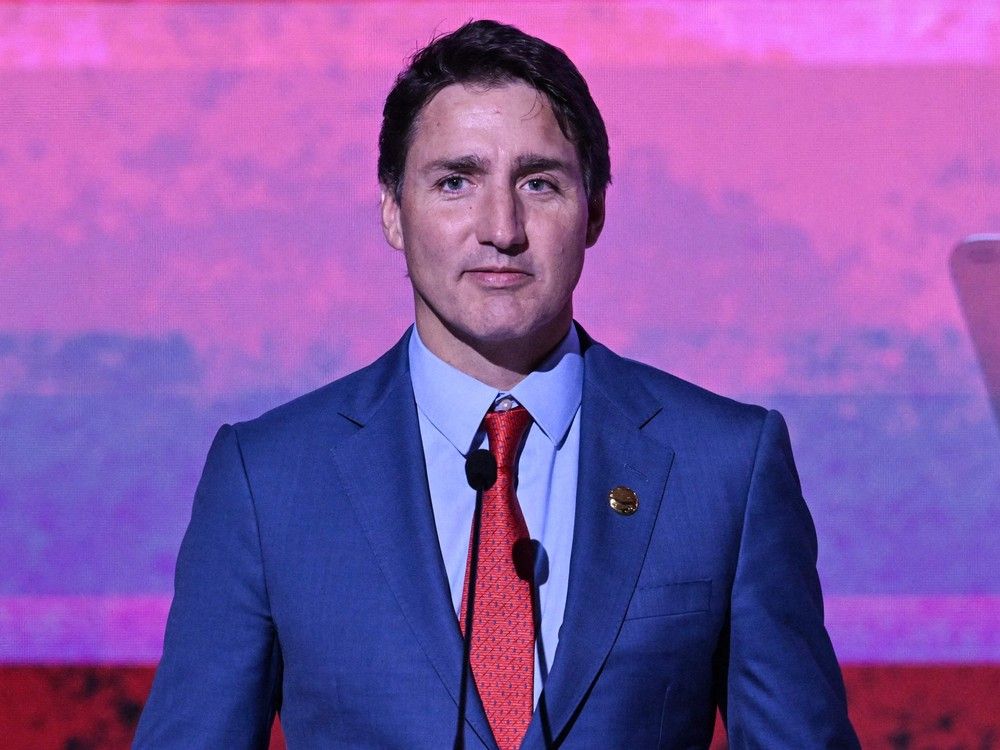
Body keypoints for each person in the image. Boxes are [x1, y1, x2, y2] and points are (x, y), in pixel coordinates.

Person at [135, 19, 860, 749]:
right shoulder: (267, 481)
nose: (501, 228)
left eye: (538, 183)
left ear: (595, 210)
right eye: (456, 181)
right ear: (392, 210)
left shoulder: (726, 467)